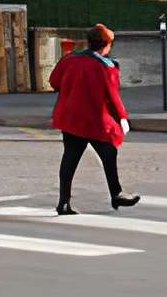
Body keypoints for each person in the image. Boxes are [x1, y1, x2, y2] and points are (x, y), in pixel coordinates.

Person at [50, 24, 138, 214]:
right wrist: (122, 118)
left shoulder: (70, 59)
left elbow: (54, 81)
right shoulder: (107, 66)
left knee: (70, 158)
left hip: (71, 117)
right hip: (94, 120)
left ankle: (63, 202)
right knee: (108, 153)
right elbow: (112, 95)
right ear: (106, 45)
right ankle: (116, 195)